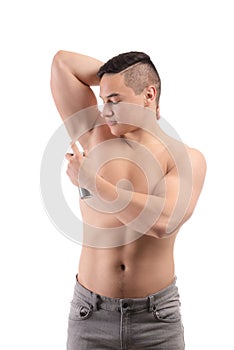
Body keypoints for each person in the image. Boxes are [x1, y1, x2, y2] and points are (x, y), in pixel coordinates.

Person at [50, 50, 206, 350]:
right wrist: (117, 79)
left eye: (114, 100)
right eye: (103, 99)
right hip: (90, 316)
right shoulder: (96, 137)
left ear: (149, 94)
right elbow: (62, 65)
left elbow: (162, 221)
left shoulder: (186, 158)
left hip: (156, 321)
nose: (105, 110)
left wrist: (91, 182)